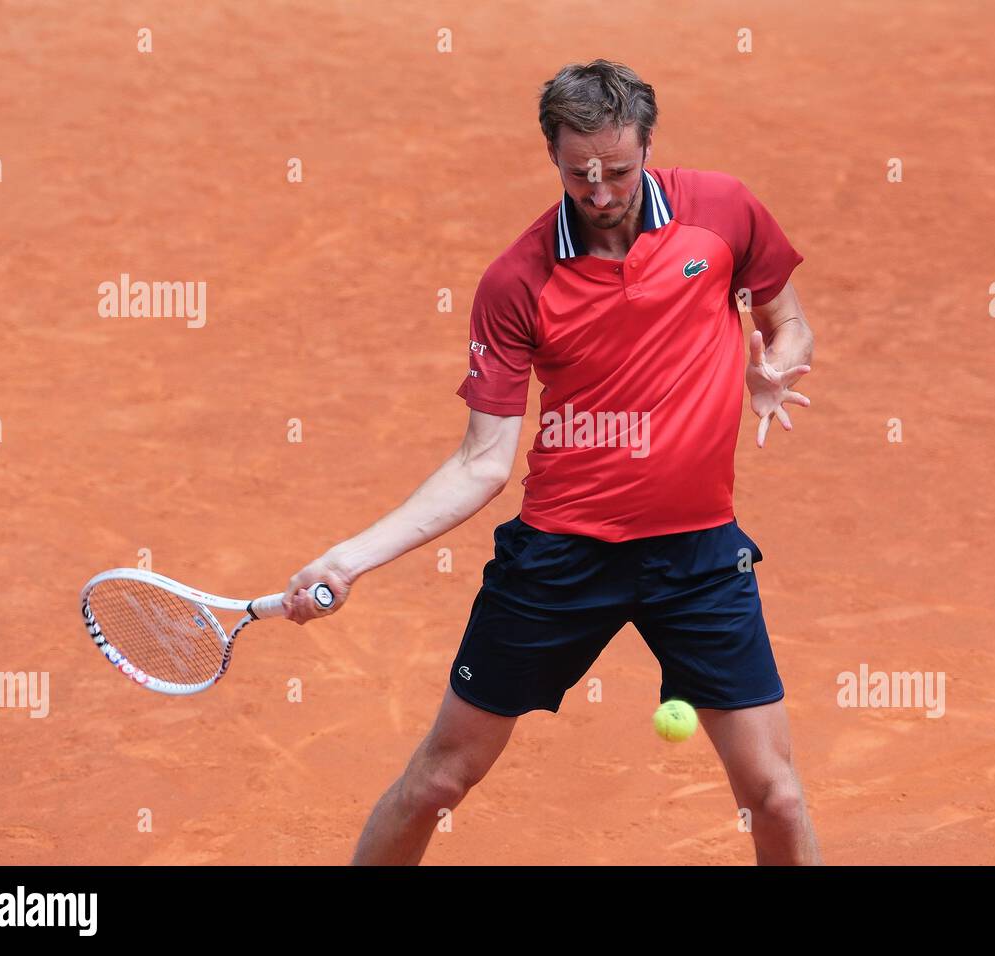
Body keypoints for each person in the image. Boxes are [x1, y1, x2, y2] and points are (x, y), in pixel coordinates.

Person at [283, 59, 821, 866]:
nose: (600, 193)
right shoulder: (517, 282)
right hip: (562, 558)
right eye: (579, 174)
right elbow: (481, 462)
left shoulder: (723, 210)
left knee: (775, 795)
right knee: (438, 781)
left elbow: (787, 318)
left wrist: (777, 365)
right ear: (553, 157)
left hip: (700, 555)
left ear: (649, 143)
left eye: (619, 170)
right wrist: (349, 559)